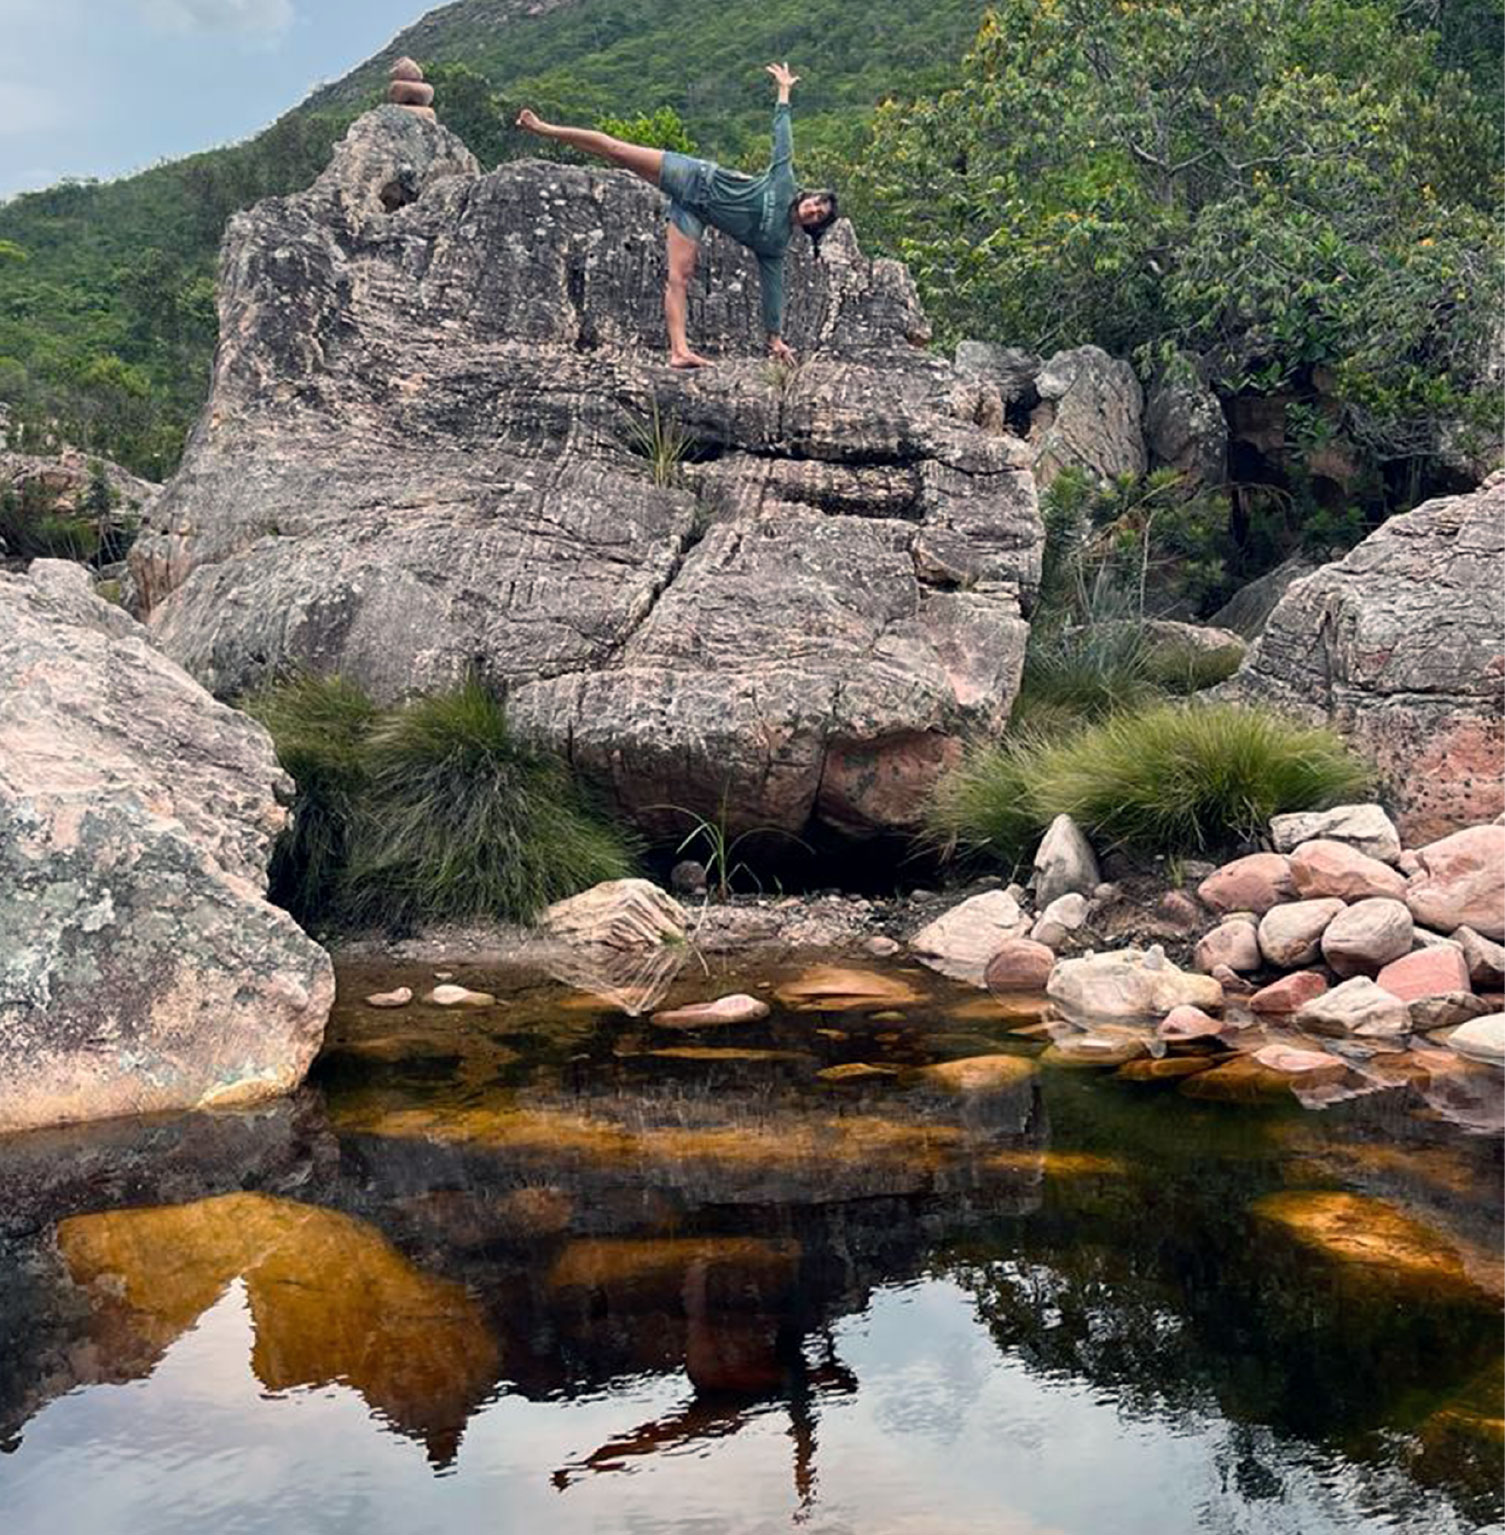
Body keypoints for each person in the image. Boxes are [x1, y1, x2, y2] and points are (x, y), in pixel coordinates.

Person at [516, 63, 838, 369]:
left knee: (679, 278)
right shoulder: (784, 184)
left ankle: (679, 351)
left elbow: (773, 289)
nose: (812, 210)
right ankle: (544, 128)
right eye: (815, 203)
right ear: (808, 197)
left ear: (813, 226)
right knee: (618, 151)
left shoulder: (776, 243)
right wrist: (784, 91)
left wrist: (776, 338)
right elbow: (783, 138)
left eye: (817, 215)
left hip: (693, 212)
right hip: (695, 177)